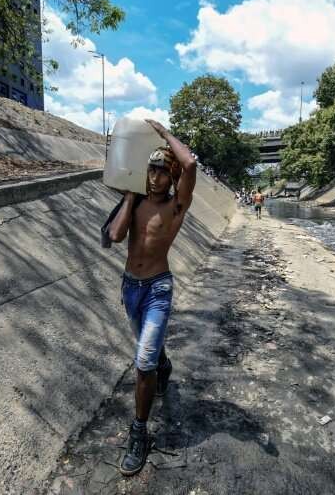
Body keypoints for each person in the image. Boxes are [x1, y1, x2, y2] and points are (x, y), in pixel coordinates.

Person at [107, 119, 197, 477]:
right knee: (149, 350)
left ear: (170, 178)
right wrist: (130, 196)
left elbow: (189, 164)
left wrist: (162, 134)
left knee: (141, 362)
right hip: (131, 288)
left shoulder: (176, 207)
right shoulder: (138, 202)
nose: (156, 177)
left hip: (158, 288)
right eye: (151, 170)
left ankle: (139, 432)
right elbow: (115, 236)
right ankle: (163, 363)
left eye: (162, 172)